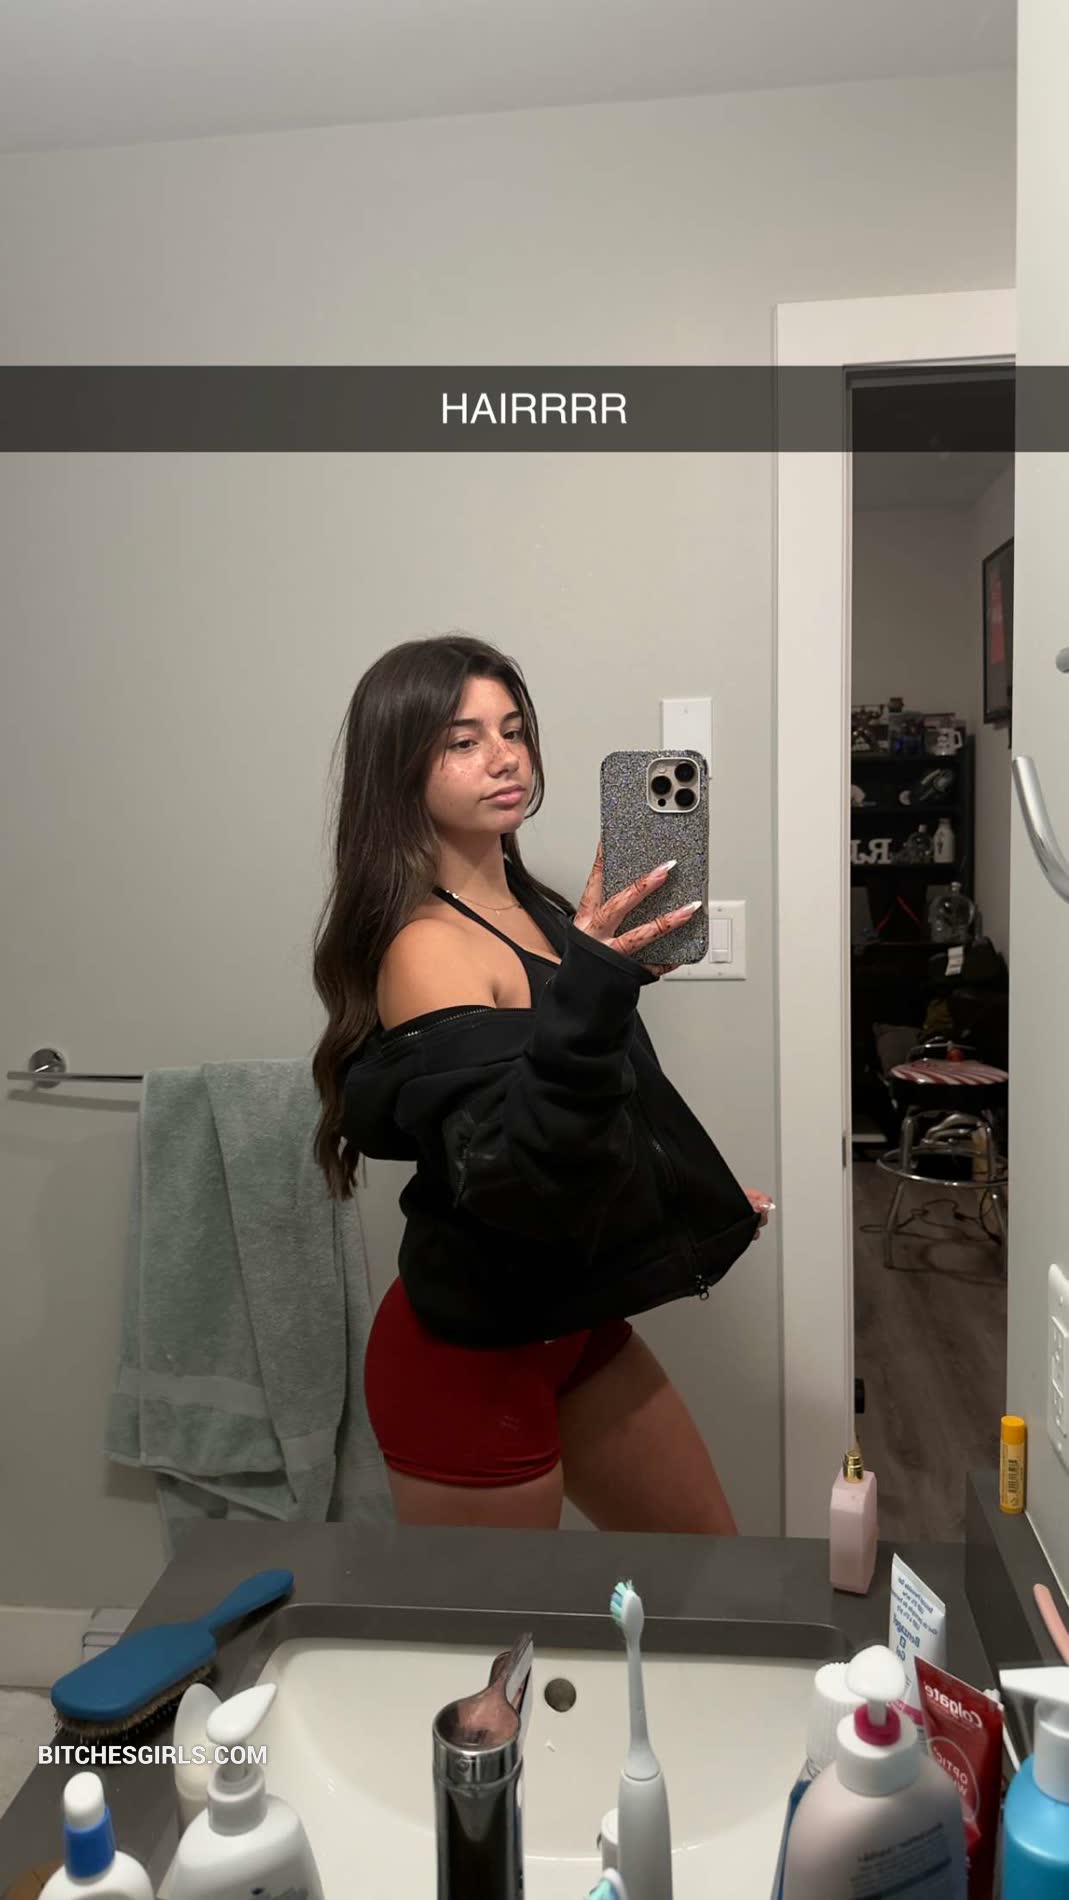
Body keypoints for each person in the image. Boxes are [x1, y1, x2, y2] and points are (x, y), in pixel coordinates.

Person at [312, 633, 771, 1533]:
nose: (504, 757)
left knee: (709, 1567)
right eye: (462, 741)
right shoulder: (427, 950)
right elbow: (515, 1178)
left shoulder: (547, 914)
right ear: (399, 768)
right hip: (468, 1355)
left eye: (513, 729)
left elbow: (589, 1110)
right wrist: (593, 984)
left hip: (572, 1320)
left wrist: (679, 1198)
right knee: (504, 1624)